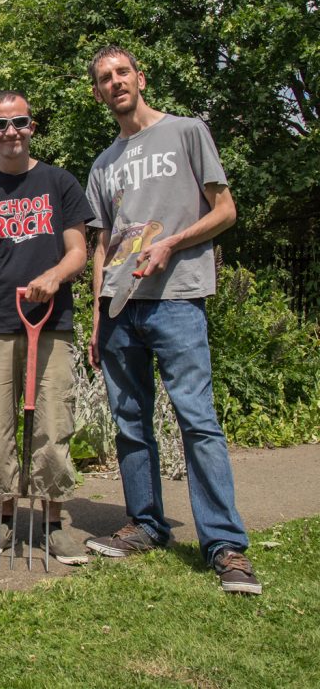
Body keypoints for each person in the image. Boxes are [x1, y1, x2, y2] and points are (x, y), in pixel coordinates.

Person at [84, 46, 261, 594]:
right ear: (97, 93)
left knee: (198, 421)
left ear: (140, 77)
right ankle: (146, 523)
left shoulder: (187, 132)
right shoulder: (103, 164)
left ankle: (225, 545)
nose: (115, 83)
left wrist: (171, 244)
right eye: (104, 79)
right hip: (119, 309)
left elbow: (225, 210)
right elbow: (101, 244)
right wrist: (96, 314)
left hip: (178, 299)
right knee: (130, 423)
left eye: (122, 73)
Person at [0, 90, 92, 565]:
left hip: (50, 323)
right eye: (0, 125)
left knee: (53, 422)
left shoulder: (60, 183)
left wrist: (54, 276)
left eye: (20, 122)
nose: (11, 132)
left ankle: (53, 523)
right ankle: (5, 520)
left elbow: (78, 250)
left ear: (32, 127)